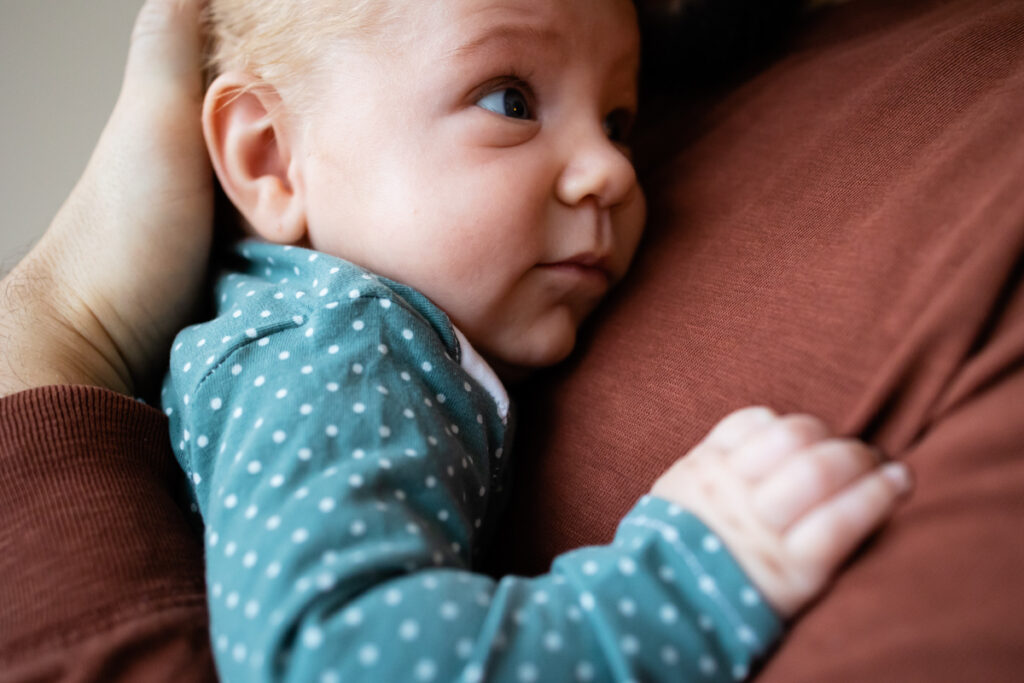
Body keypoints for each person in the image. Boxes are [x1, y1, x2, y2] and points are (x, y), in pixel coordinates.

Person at [2, 0, 1021, 681]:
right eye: (511, 101)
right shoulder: (347, 346)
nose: (610, 171)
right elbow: (335, 659)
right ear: (271, 159)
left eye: (616, 120)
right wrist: (679, 588)